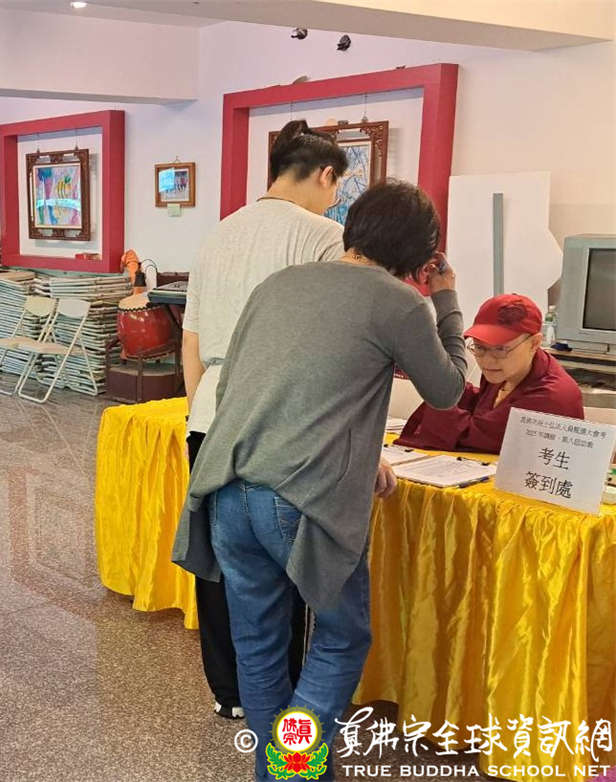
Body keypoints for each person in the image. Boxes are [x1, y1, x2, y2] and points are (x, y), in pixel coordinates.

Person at [180, 181, 468, 781]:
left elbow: (240, 386)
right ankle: (293, 768)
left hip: (228, 481)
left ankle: (279, 770)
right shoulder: (399, 301)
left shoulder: (279, 284)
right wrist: (446, 299)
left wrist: (363, 455)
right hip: (301, 497)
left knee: (259, 644)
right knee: (341, 637)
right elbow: (447, 390)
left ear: (352, 226)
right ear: (420, 254)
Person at [176, 119, 347, 720]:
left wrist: (204, 409)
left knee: (220, 561)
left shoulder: (218, 233)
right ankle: (283, 695)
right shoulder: (325, 235)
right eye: (336, 187)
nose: (334, 199)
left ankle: (230, 692)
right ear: (325, 175)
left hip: (211, 415)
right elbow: (328, 345)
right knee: (283, 563)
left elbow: (191, 340)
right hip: (282, 422)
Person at [396, 293, 584, 452]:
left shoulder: (551, 395)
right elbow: (480, 405)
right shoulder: (508, 371)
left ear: (534, 343)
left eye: (500, 349)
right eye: (479, 347)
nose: (487, 360)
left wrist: (441, 394)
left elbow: (474, 436)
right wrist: (447, 384)